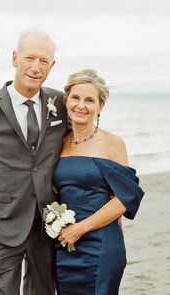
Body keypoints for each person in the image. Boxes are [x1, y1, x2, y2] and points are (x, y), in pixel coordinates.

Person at [0, 30, 68, 295]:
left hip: (47, 224)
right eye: (29, 58)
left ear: (51, 66)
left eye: (44, 61)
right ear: (15, 58)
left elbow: (79, 147)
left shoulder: (61, 103)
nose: (35, 67)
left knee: (43, 291)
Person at [53, 69, 145, 295]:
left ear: (100, 106)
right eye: (75, 98)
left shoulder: (112, 143)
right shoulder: (57, 142)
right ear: (66, 100)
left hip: (100, 244)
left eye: (89, 100)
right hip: (64, 245)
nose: (80, 105)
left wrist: (80, 228)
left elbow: (125, 198)